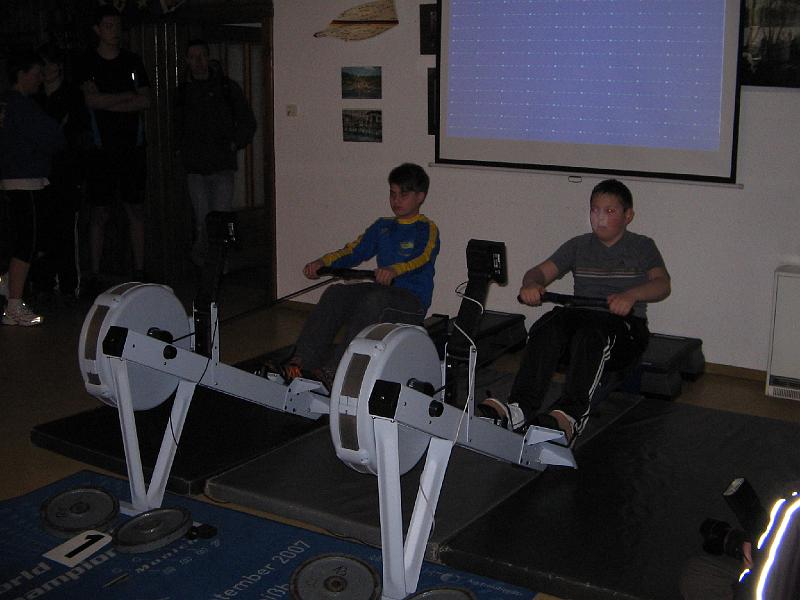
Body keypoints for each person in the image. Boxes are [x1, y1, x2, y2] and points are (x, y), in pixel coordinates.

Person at [478, 179, 670, 444]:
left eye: (610, 211)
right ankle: (519, 408)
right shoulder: (578, 245)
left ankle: (570, 417)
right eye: (594, 210)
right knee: (547, 325)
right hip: (582, 318)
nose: (600, 218)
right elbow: (538, 272)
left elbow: (662, 284)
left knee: (593, 334)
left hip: (625, 328)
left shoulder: (642, 246)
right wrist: (531, 284)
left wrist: (631, 296)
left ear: (628, 216)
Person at [264, 163, 440, 390]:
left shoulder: (427, 229)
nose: (396, 200)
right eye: (393, 194)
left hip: (411, 301)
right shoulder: (383, 226)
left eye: (403, 195)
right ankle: (300, 362)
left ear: (420, 197)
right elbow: (353, 251)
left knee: (373, 301)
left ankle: (333, 371)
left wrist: (395, 270)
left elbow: (422, 257)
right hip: (383, 291)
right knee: (335, 293)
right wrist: (323, 262)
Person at [75, 5, 150, 294]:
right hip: (100, 150)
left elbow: (145, 100)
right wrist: (126, 97)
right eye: (108, 26)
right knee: (99, 212)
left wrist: (108, 101)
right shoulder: (87, 63)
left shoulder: (132, 61)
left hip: (132, 147)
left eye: (117, 25)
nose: (114, 31)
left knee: (136, 209)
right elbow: (90, 102)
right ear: (97, 29)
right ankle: (94, 273)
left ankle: (140, 270)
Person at [174, 39, 256, 267]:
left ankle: (218, 263)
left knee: (220, 219)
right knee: (203, 221)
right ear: (187, 60)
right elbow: (176, 126)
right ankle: (206, 264)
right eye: (193, 57)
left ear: (208, 57)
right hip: (196, 168)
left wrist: (235, 143)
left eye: (201, 56)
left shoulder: (227, 88)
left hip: (221, 165)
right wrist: (182, 151)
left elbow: (247, 121)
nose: (198, 61)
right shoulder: (184, 92)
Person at [0, 51, 65, 326]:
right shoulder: (21, 106)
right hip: (24, 180)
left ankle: (8, 287)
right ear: (21, 75)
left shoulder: (8, 105)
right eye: (36, 74)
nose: (40, 79)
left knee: (21, 240)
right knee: (26, 243)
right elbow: (53, 137)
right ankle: (14, 305)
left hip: (14, 179)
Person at [30, 43, 90, 305]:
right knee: (42, 231)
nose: (46, 69)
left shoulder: (72, 96)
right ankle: (43, 282)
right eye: (42, 65)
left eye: (50, 64)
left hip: (65, 174)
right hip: (39, 174)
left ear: (59, 66)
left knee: (65, 230)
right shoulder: (34, 98)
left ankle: (68, 285)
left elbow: (77, 136)